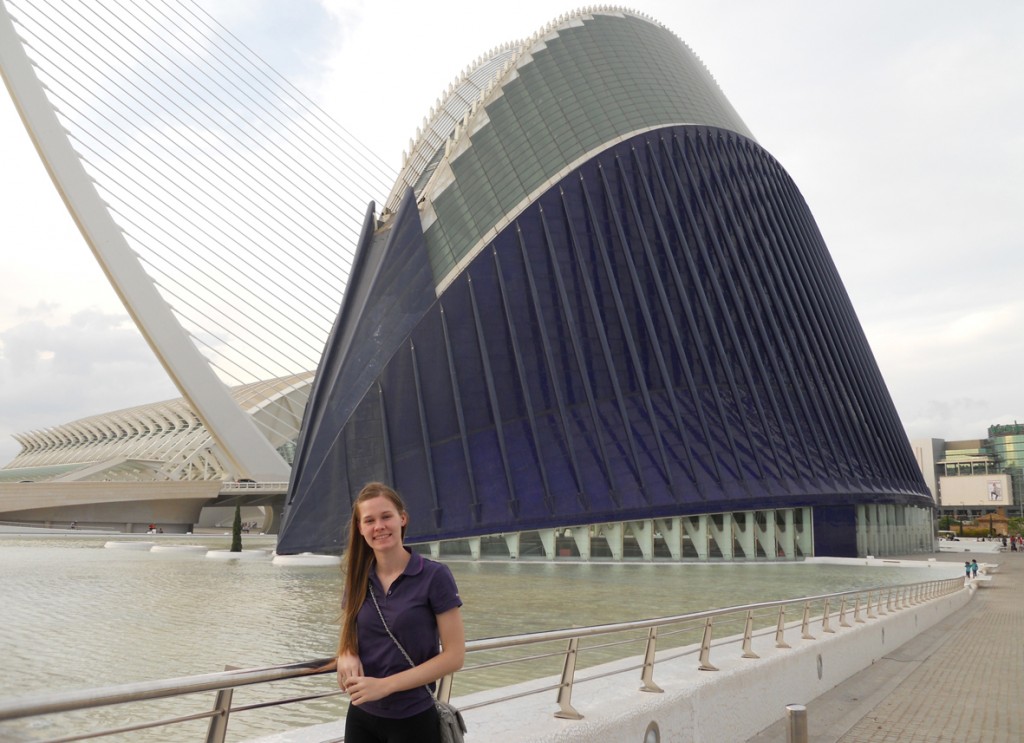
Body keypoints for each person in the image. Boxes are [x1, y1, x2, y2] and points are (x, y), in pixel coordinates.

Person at [331, 482, 465, 743]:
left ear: (402, 519)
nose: (378, 526)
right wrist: (345, 653)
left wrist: (384, 686)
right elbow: (350, 632)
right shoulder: (358, 578)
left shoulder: (434, 576)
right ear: (360, 529)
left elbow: (454, 656)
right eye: (369, 520)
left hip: (413, 719)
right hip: (361, 717)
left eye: (386, 516)